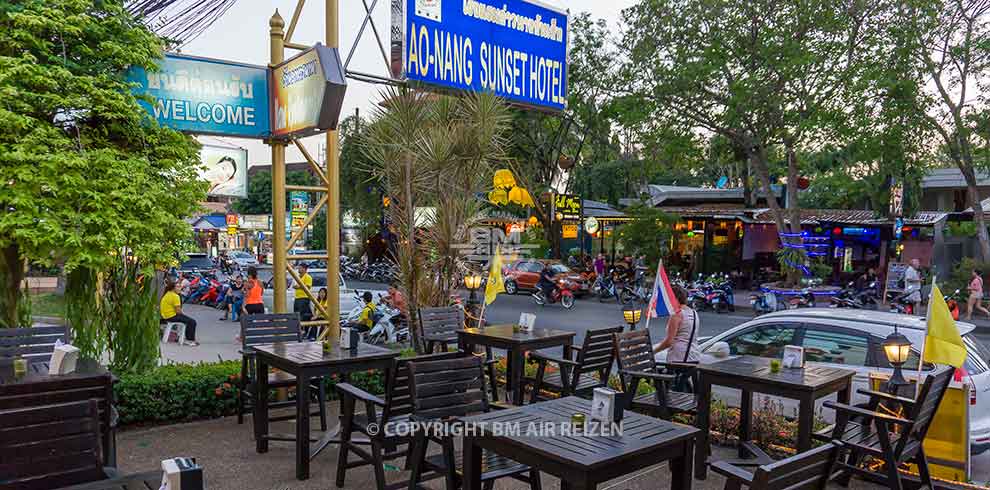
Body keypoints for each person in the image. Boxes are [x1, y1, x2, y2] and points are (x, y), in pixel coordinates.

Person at [653, 285, 700, 363]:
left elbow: (669, 341)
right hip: (693, 356)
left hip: (679, 358)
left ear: (676, 298)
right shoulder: (694, 313)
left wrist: (653, 351)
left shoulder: (677, 314)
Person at [160, 280, 198, 346]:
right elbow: (178, 311)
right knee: (192, 322)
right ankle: (189, 340)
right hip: (171, 316)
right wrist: (184, 316)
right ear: (173, 288)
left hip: (165, 316)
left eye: (180, 286)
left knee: (186, 319)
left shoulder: (167, 293)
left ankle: (182, 337)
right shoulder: (175, 296)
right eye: (177, 287)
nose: (180, 288)